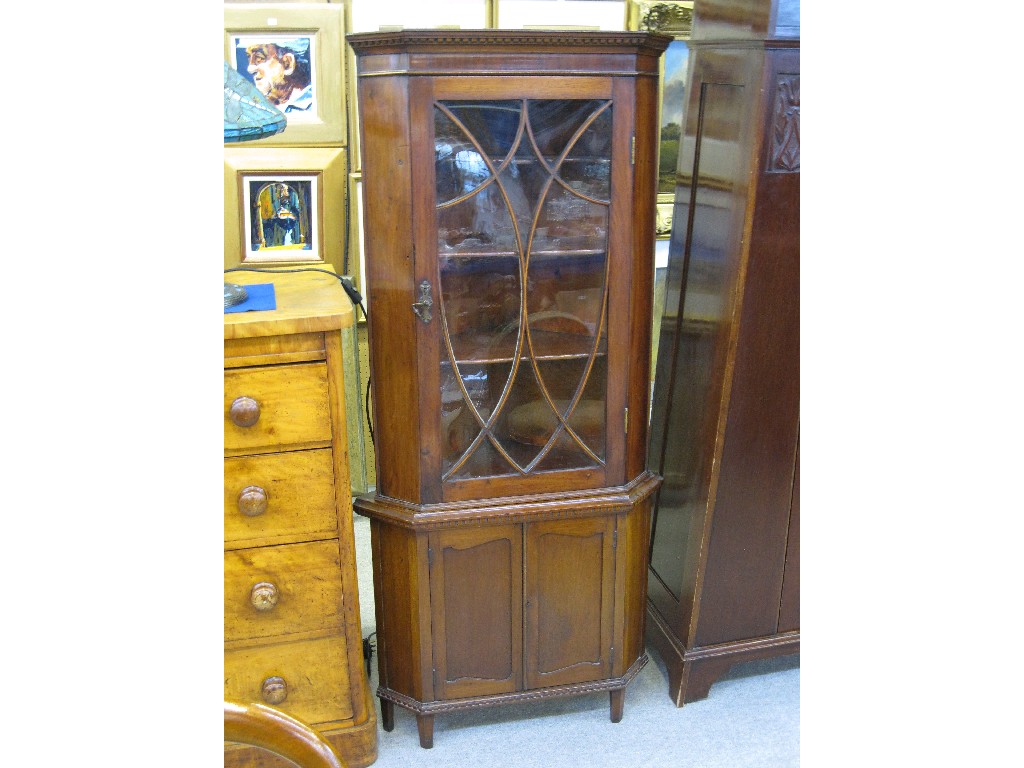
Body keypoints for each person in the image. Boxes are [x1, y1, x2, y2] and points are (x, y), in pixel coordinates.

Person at [242, 39, 313, 113]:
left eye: (259, 58)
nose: (250, 69)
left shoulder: (313, 108)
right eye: (249, 57)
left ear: (287, 63)